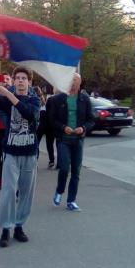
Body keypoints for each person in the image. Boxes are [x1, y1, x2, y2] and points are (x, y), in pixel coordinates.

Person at [0, 66, 40, 248]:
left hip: (29, 153)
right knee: (8, 192)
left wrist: (8, 93)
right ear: (14, 81)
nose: (21, 81)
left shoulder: (34, 100)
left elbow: (28, 113)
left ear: (29, 82)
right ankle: (6, 228)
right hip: (11, 153)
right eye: (18, 78)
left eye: (24, 78)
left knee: (26, 193)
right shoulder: (8, 99)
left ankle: (19, 226)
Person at [49, 73, 94, 212]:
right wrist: (63, 127)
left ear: (80, 83)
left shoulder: (84, 99)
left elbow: (91, 120)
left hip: (78, 141)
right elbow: (51, 120)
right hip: (63, 140)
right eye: (71, 80)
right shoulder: (58, 99)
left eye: (76, 80)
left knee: (76, 172)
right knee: (64, 168)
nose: (73, 83)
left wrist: (83, 128)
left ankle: (71, 201)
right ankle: (59, 191)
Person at [34, 86, 56, 168]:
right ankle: (52, 160)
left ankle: (35, 160)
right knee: (50, 144)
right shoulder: (45, 101)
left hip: (40, 126)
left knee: (36, 144)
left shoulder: (34, 101)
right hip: (49, 126)